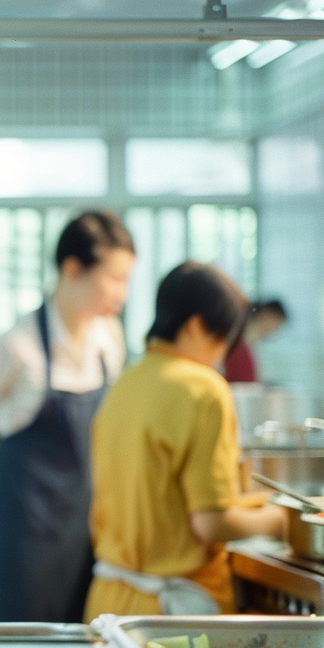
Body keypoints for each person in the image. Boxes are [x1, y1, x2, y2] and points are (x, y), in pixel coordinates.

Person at [0, 211, 135, 623]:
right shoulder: (21, 347)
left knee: (80, 626)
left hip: (84, 516)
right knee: (20, 629)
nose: (122, 294)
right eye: (115, 279)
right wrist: (3, 423)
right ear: (73, 269)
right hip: (24, 522)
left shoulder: (108, 340)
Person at [84, 262, 287, 621]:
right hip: (173, 614)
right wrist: (282, 521)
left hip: (108, 604)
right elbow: (210, 523)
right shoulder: (203, 389)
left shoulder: (126, 384)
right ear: (195, 326)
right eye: (223, 338)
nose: (223, 353)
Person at [224, 298, 287, 383]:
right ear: (268, 314)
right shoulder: (240, 337)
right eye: (277, 324)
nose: (275, 330)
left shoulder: (249, 344)